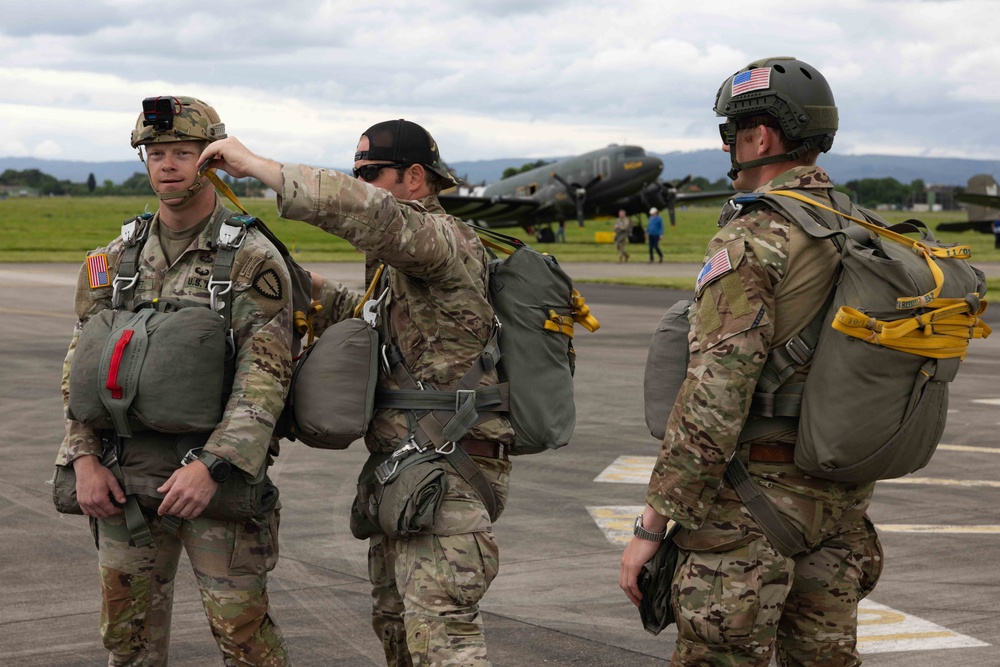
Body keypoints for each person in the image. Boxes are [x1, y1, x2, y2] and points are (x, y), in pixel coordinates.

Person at [199, 119, 514, 667]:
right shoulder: (404, 266)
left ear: (416, 178)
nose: (363, 184)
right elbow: (378, 325)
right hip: (407, 479)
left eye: (372, 174)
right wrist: (303, 283)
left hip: (448, 486)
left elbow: (372, 214)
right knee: (397, 633)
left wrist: (255, 166)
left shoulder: (445, 240)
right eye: (358, 174)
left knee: (444, 644)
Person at [620, 57, 882, 666]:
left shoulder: (755, 237)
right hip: (839, 507)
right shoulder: (860, 230)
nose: (728, 149)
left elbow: (714, 398)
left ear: (760, 137)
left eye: (730, 134)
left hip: (749, 513)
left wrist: (652, 526)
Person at [56, 97, 291, 665]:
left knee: (245, 641)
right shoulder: (114, 258)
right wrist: (82, 459)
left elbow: (266, 376)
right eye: (156, 153)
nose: (167, 165)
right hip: (122, 480)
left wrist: (211, 467)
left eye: (183, 153)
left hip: (213, 482)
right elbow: (80, 367)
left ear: (209, 160)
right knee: (127, 643)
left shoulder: (249, 258)